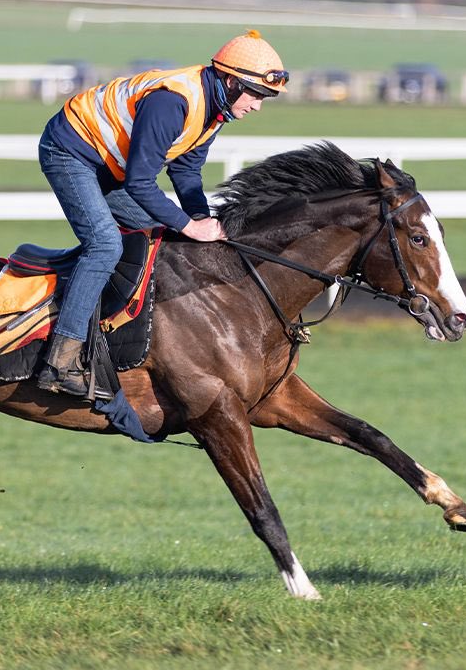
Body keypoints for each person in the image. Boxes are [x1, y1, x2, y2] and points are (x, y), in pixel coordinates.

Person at [36, 30, 289, 399]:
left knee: (160, 238)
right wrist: (189, 225)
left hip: (110, 165)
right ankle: (61, 360)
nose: (257, 106)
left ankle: (116, 330)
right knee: (105, 244)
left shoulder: (215, 110)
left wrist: (202, 222)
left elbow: (186, 171)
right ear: (232, 82)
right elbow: (140, 183)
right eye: (256, 94)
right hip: (70, 152)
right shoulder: (172, 102)